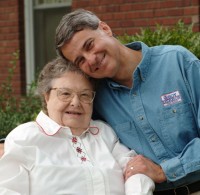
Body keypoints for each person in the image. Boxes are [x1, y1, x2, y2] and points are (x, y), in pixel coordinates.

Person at [55, 9, 200, 194]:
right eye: (80, 60)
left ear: (105, 28)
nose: (91, 59)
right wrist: (8, 144)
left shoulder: (177, 62)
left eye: (90, 45)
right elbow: (59, 120)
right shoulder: (94, 97)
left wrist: (163, 171)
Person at [0, 57, 155, 195]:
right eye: (65, 93)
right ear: (46, 96)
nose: (75, 102)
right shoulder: (25, 137)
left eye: (85, 95)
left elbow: (136, 171)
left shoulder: (103, 133)